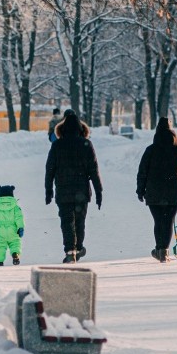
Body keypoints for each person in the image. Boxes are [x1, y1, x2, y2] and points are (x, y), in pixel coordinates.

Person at [44, 109, 103, 263]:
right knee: (79, 221)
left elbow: (50, 169)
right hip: (81, 191)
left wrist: (48, 190)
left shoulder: (57, 145)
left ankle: (70, 250)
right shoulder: (86, 144)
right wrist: (98, 192)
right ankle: (78, 248)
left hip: (63, 191)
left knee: (66, 221)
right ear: (81, 129)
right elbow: (93, 171)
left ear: (61, 129)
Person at [137, 117, 177, 262]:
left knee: (158, 221)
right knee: (168, 221)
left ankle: (159, 249)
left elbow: (142, 171)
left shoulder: (150, 150)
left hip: (154, 192)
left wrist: (140, 190)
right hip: (174, 192)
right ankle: (164, 252)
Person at [0, 185, 25, 266]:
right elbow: (19, 218)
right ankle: (15, 254)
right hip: (13, 229)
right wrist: (20, 228)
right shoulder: (16, 208)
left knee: (0, 246)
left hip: (1, 231)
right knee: (15, 243)